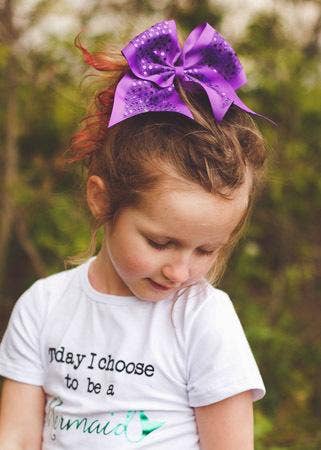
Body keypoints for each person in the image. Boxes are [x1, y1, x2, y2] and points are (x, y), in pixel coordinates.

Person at [0, 19, 267, 450]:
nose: (181, 271)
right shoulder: (43, 307)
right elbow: (15, 437)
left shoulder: (202, 318)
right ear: (101, 200)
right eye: (161, 243)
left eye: (206, 250)